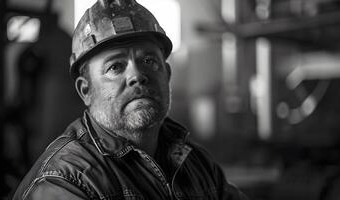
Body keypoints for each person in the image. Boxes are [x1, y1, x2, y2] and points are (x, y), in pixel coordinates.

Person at [13, 0, 248, 199]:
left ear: (166, 74)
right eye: (115, 67)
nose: (137, 76)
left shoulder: (195, 162)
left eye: (148, 61)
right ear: (86, 91)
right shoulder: (66, 181)